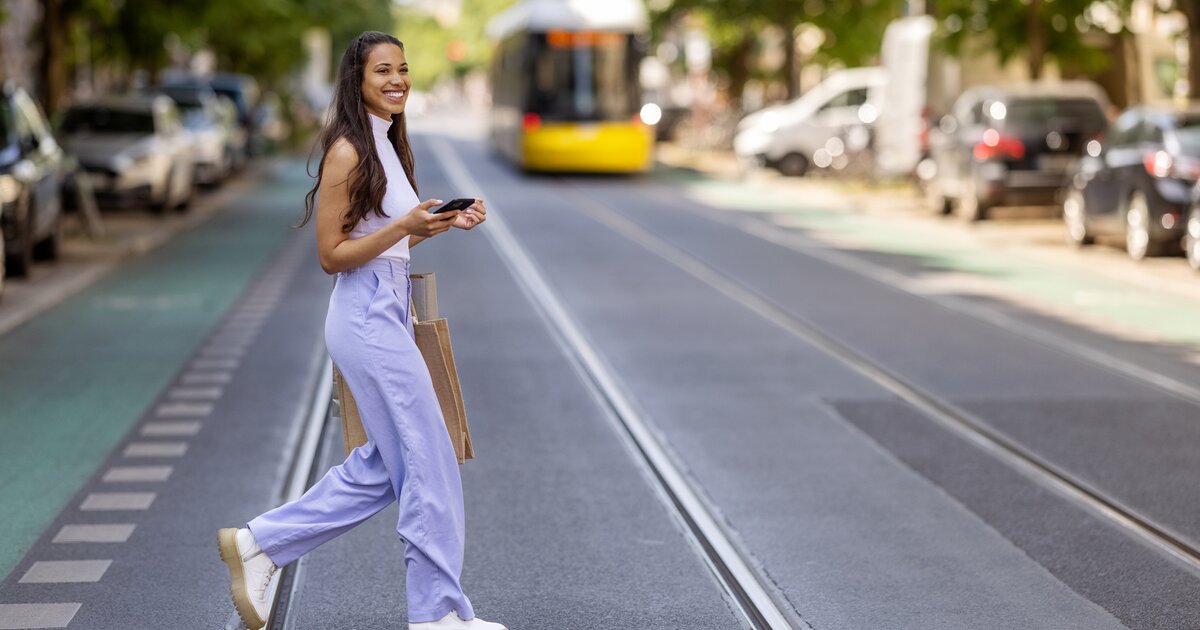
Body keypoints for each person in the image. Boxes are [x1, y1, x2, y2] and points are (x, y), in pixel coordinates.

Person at [216, 31, 504, 630]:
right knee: (430, 462)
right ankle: (437, 614)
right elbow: (331, 254)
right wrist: (404, 225)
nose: (397, 79)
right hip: (365, 314)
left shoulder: (389, 146)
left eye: (402, 69)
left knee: (385, 466)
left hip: (389, 308)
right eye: (382, 71)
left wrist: (442, 221)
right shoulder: (347, 150)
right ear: (356, 80)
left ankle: (259, 544)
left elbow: (396, 236)